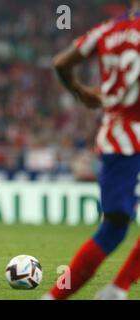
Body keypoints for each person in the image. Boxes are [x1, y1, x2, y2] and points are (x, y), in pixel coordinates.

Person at [42, 1, 140, 300]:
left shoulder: (106, 31)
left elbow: (60, 63)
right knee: (114, 227)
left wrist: (82, 93)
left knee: (113, 227)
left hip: (115, 137)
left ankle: (56, 297)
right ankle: (118, 288)